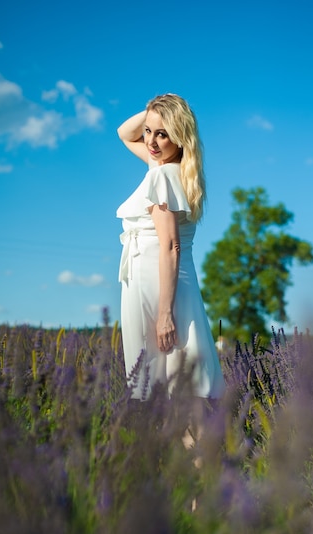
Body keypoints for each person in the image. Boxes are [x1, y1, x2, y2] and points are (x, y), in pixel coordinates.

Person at [116, 93, 225, 400]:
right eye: (148, 131)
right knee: (181, 391)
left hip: (159, 290)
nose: (150, 141)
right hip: (172, 285)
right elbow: (125, 133)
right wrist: (156, 111)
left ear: (179, 137)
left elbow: (170, 247)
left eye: (162, 134)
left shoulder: (163, 175)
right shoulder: (176, 171)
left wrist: (164, 314)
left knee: (166, 390)